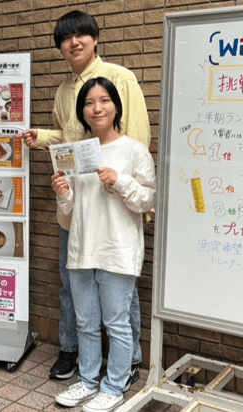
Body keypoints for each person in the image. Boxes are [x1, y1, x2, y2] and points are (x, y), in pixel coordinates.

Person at [19, 10, 150, 383]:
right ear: (60, 47)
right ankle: (72, 350)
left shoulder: (121, 79)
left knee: (122, 286)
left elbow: (136, 140)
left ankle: (130, 359)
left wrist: (137, 196)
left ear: (95, 39)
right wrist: (41, 137)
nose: (73, 43)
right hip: (77, 202)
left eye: (81, 35)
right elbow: (69, 138)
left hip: (115, 199)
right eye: (65, 38)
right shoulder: (63, 91)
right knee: (69, 278)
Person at [53, 77, 155, 411]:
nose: (96, 108)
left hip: (118, 250)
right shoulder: (76, 152)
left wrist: (120, 180)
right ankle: (87, 380)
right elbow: (69, 210)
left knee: (116, 323)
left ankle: (114, 385)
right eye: (88, 103)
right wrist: (63, 193)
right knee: (85, 322)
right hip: (82, 248)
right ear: (81, 111)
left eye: (104, 100)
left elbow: (146, 199)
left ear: (115, 107)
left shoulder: (133, 150)